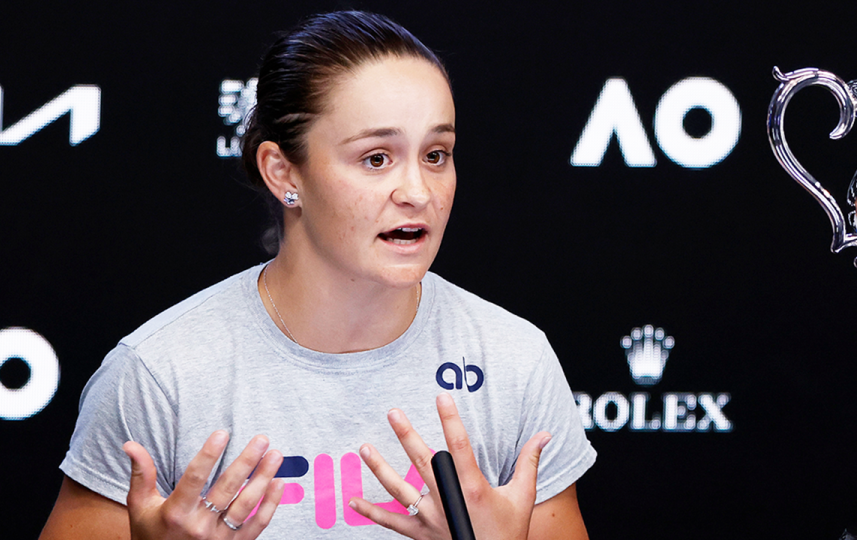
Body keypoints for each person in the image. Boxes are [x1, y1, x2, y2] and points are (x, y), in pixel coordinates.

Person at [38, 11, 595, 540]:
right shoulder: (161, 375)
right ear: (283, 172)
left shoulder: (513, 361)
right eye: (376, 158)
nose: (418, 192)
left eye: (437, 154)